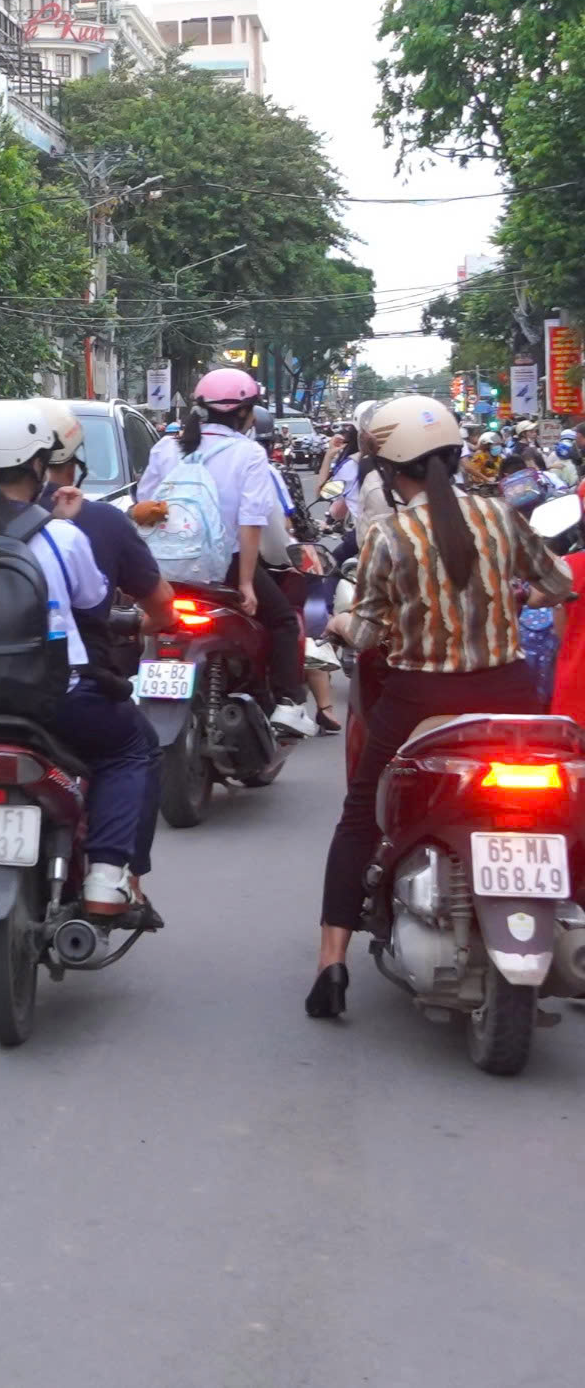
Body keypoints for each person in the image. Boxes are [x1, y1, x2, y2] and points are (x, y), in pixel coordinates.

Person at [311, 394, 573, 1020]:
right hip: (510, 700)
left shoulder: (388, 534)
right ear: (456, 458)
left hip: (420, 706)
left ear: (394, 470)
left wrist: (341, 624)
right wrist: (512, 604)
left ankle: (331, 965)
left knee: (360, 819)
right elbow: (558, 584)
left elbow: (371, 634)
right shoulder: (501, 516)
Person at [0, 401, 156, 923]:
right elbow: (93, 602)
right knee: (131, 748)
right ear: (40, 465)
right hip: (57, 699)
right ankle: (108, 877)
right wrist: (61, 527)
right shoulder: (62, 535)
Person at [33, 398, 173, 903]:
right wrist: (140, 625)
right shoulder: (95, 525)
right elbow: (150, 606)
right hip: (71, 690)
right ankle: (115, 873)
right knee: (135, 749)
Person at [133, 368, 315, 737]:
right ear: (246, 414)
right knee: (281, 620)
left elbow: (143, 504)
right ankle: (288, 703)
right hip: (223, 567)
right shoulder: (248, 453)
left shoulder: (166, 446)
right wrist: (246, 583)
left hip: (164, 569)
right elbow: (251, 522)